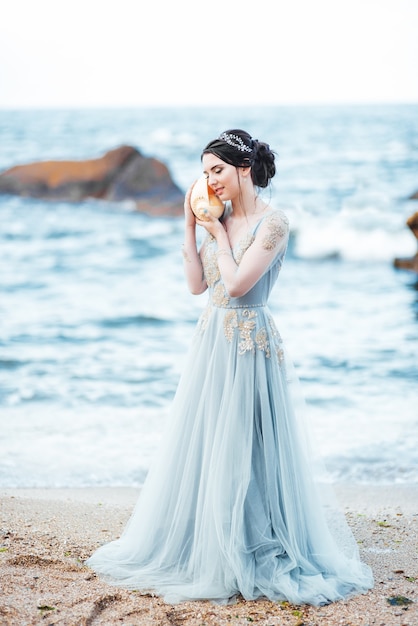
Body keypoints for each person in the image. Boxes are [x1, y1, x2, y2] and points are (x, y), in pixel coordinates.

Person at [86, 129, 373, 605]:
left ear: (244, 170)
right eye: (204, 173)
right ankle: (208, 541)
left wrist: (218, 234)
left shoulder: (272, 223)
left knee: (250, 444)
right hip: (211, 343)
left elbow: (239, 285)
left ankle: (255, 542)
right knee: (208, 443)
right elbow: (198, 287)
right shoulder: (217, 219)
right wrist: (188, 225)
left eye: (217, 170)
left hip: (249, 342)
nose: (210, 181)